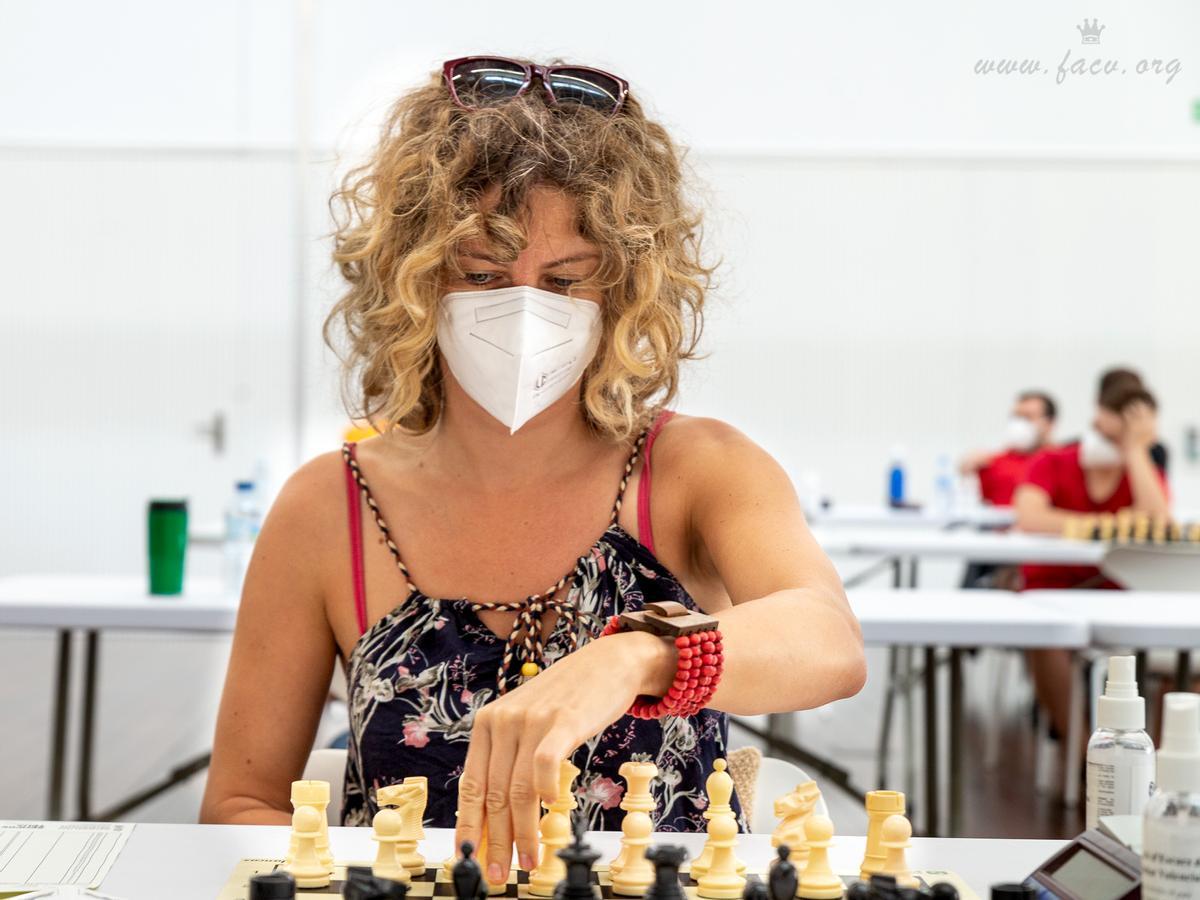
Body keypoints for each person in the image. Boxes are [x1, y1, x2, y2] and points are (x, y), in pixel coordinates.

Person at [200, 56, 866, 883]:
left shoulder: (698, 472)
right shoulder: (331, 505)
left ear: (622, 289)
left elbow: (829, 641)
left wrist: (637, 656)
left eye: (565, 281)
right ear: (408, 278)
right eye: (480, 275)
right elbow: (240, 804)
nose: (522, 309)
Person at [1014, 367, 1169, 740]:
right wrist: (1104, 523)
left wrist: (1137, 452)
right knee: (1046, 639)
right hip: (1052, 592)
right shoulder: (1053, 461)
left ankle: (1153, 765)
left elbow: (1158, 523)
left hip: (1123, 593)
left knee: (1177, 661)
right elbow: (1029, 515)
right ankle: (1083, 753)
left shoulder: (1141, 471)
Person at [959, 390, 1057, 507]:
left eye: (1027, 417)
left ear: (1049, 423)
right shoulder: (991, 463)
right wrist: (967, 472)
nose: (1019, 424)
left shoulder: (1063, 464)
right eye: (1016, 417)